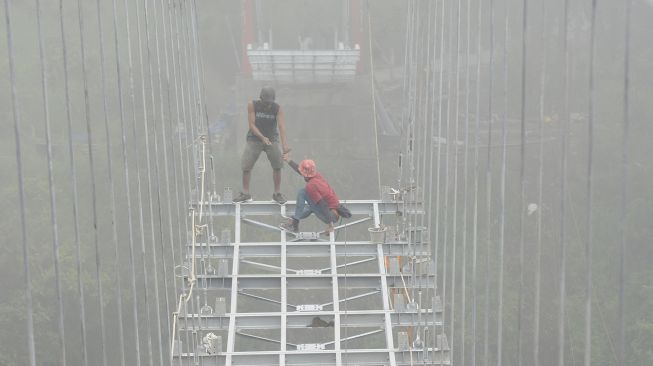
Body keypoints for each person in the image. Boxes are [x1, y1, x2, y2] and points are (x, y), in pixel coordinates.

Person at [233, 86, 290, 204]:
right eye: (265, 103)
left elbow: (281, 126)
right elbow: (252, 125)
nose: (268, 105)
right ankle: (245, 193)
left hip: (272, 138)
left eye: (270, 103)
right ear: (261, 99)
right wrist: (262, 138)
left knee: (277, 164)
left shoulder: (277, 108)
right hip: (254, 138)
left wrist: (284, 145)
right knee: (246, 165)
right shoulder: (252, 105)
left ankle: (277, 193)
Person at [280, 157, 341, 233]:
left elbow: (322, 204)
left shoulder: (311, 186)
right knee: (311, 207)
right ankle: (294, 220)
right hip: (333, 214)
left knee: (302, 192)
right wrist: (288, 160)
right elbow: (300, 170)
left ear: (305, 175)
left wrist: (330, 225)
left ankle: (294, 224)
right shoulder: (316, 176)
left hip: (330, 215)